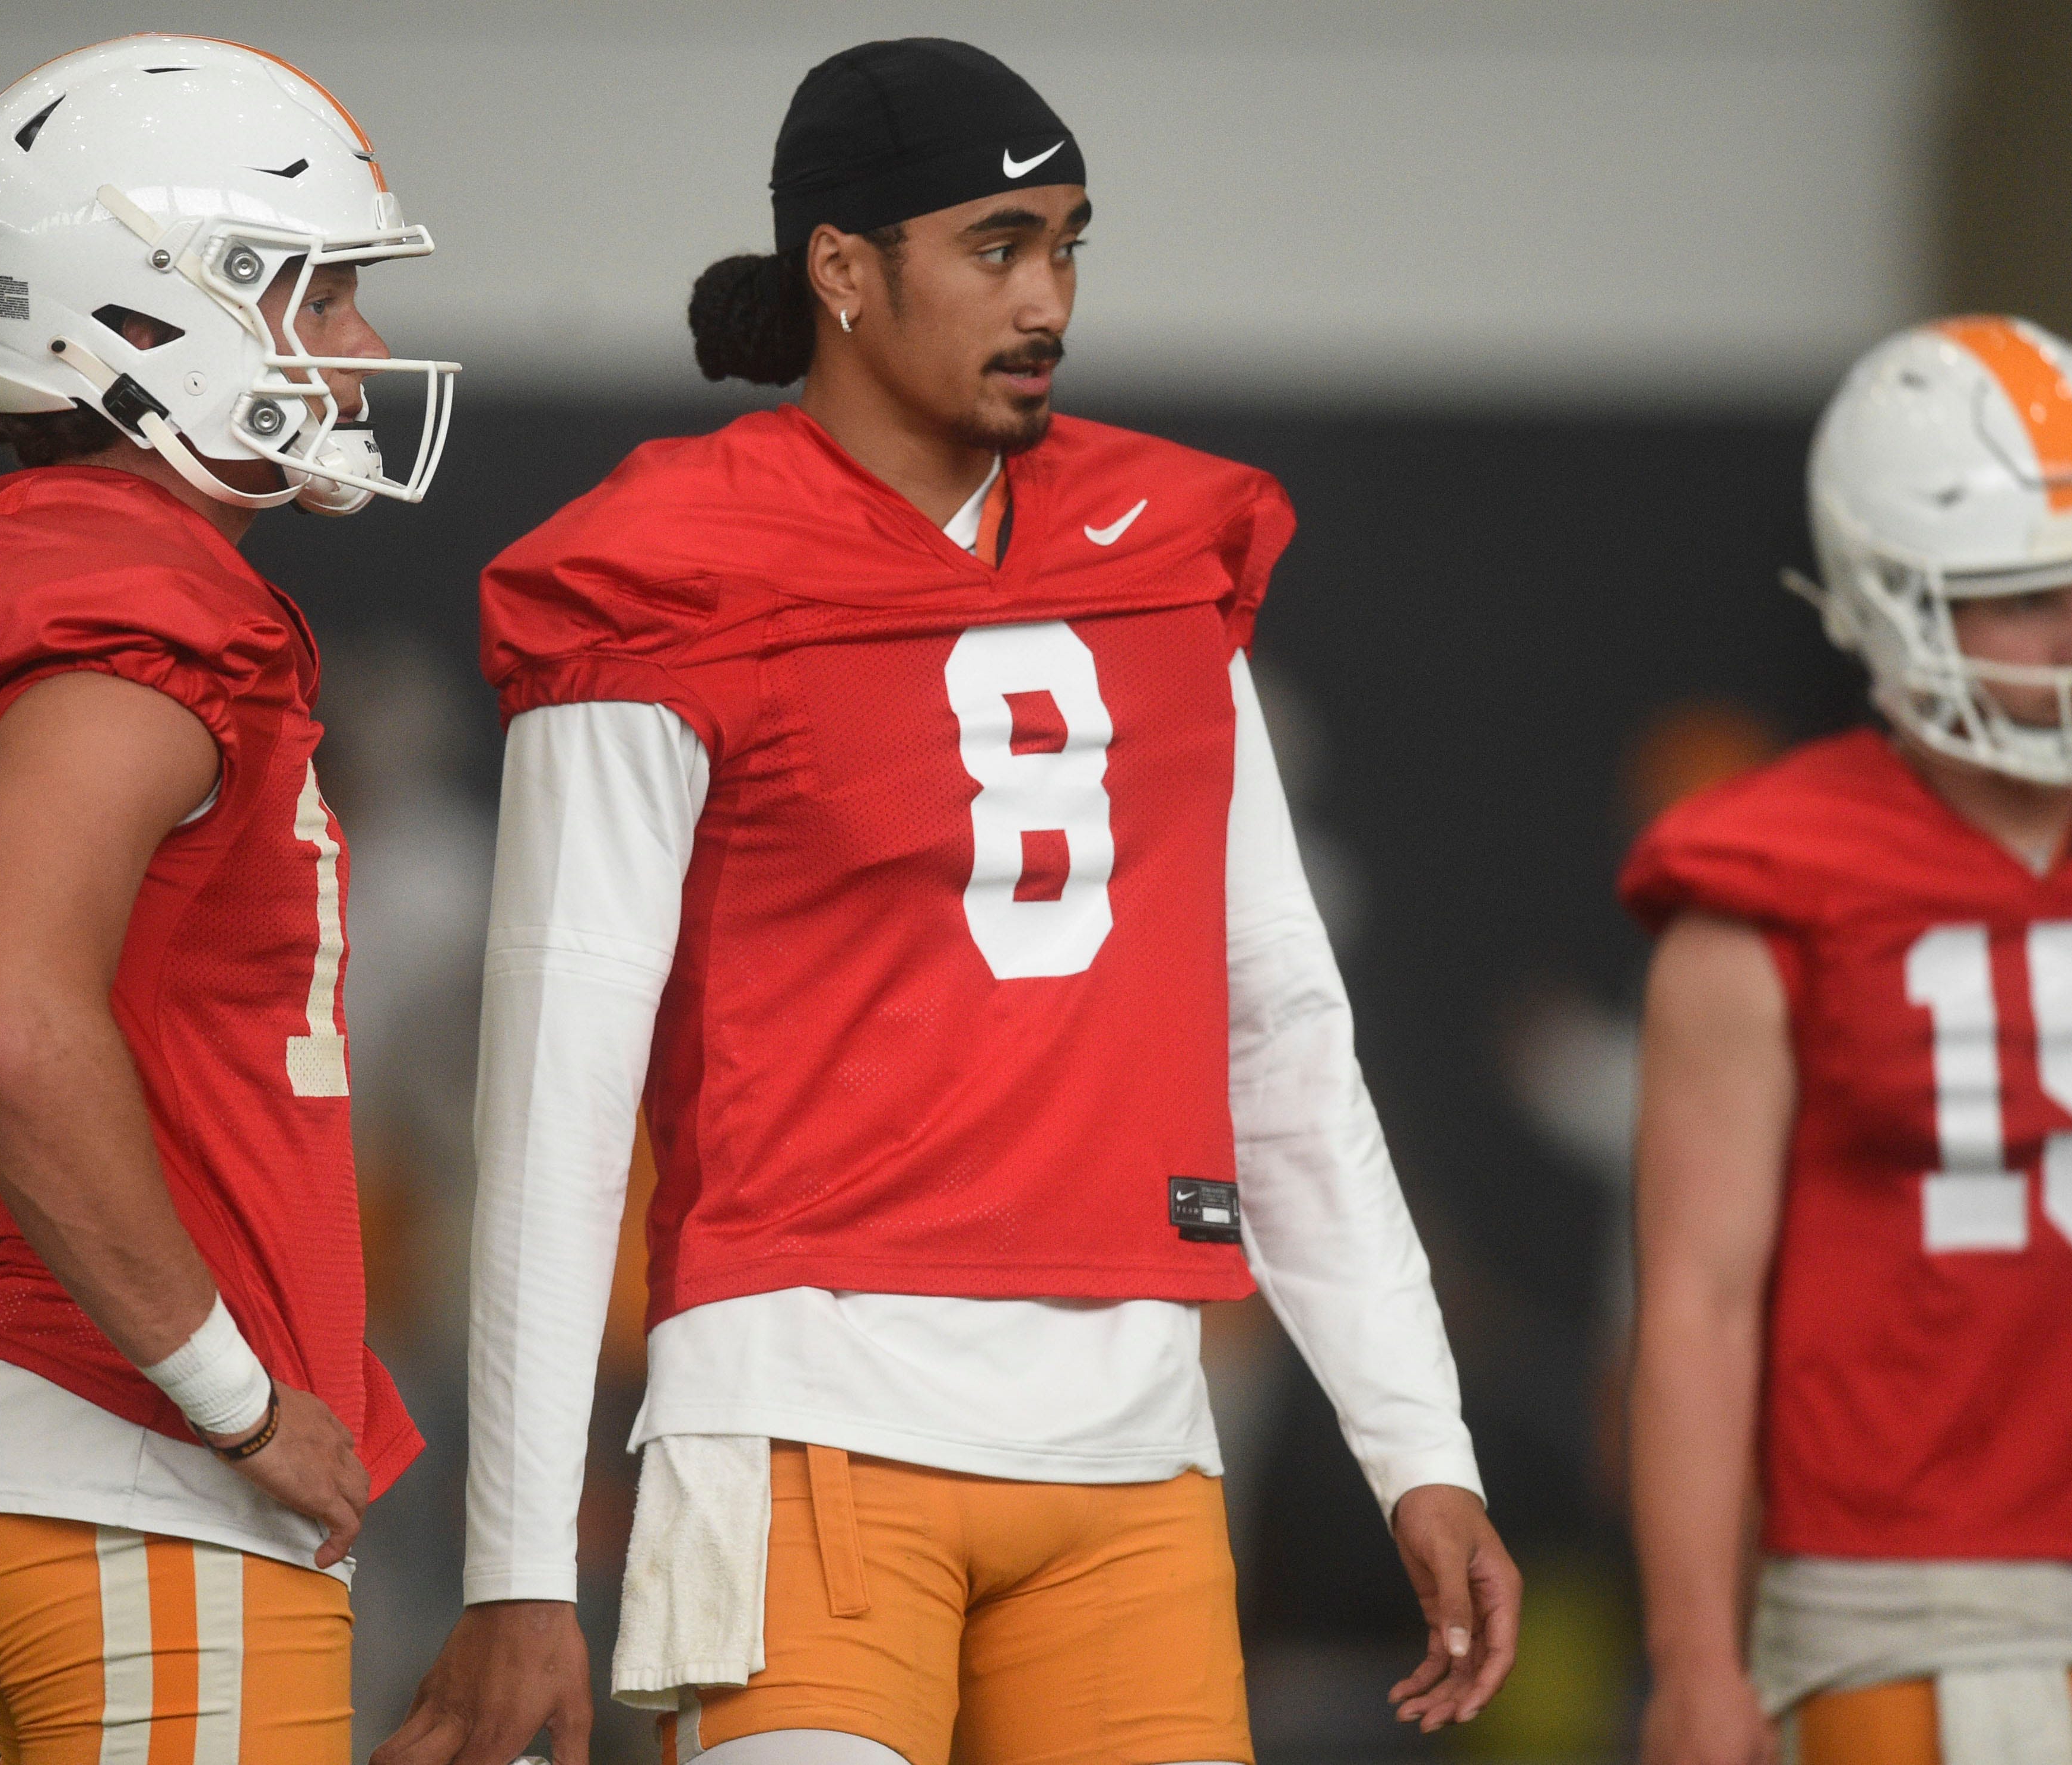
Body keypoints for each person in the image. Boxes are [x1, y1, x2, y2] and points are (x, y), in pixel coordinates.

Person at [382, 38, 1517, 1765]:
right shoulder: (666, 566)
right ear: (842, 268)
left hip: (1134, 1442)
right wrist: (517, 1561)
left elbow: (1277, 1022)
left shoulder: (1166, 547)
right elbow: (556, 1088)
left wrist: (1418, 1441)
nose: (1045, 296)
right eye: (994, 246)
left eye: (1065, 245)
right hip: (802, 1422)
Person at [0, 35, 457, 1765]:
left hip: (96, 1462)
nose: (359, 347)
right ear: (137, 312)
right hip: (133, 1467)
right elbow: (7, 1019)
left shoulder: (57, 566)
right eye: (316, 293)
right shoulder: (132, 593)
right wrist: (231, 1395)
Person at [1623, 315, 2072, 1765]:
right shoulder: (1770, 873)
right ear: (1888, 600)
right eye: (2026, 596)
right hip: (1911, 1592)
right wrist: (1694, 1658)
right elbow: (1695, 1304)